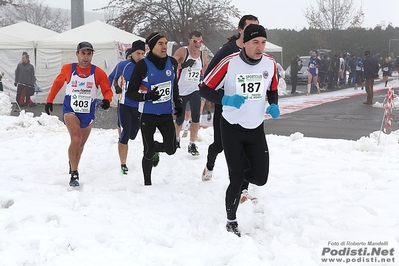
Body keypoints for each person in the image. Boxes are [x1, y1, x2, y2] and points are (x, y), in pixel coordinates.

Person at [200, 24, 279, 237]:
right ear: (244, 43)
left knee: (260, 178)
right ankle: (231, 220)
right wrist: (225, 99)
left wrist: (273, 104)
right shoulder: (229, 63)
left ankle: (238, 176)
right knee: (236, 179)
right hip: (231, 127)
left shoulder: (270, 63)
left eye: (263, 42)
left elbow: (272, 88)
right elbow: (204, 88)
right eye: (255, 42)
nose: (259, 47)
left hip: (255, 128)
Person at [199, 15, 259, 206]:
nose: (253, 32)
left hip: (248, 111)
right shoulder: (228, 51)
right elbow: (208, 81)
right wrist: (225, 98)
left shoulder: (257, 52)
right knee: (220, 145)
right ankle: (210, 163)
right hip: (226, 107)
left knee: (247, 150)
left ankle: (243, 189)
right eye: (249, 28)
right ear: (240, 30)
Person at [45, 41, 113, 186]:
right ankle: (74, 174)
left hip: (88, 112)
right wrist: (49, 100)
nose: (86, 57)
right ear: (77, 54)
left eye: (89, 54)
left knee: (80, 144)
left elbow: (107, 89)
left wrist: (107, 100)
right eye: (83, 53)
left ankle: (73, 164)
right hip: (70, 109)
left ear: (92, 55)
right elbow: (57, 84)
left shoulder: (98, 72)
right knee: (75, 138)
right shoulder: (68, 69)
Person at [126, 32, 183, 186]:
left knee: (171, 149)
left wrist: (178, 104)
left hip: (165, 114)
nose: (164, 46)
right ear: (151, 47)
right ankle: (147, 184)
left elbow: (174, 85)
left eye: (165, 43)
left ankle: (157, 147)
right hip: (147, 115)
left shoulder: (172, 62)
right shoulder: (142, 65)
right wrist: (148, 96)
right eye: (160, 43)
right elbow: (130, 93)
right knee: (148, 151)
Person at [108, 40, 146, 174]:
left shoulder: (148, 66)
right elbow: (111, 77)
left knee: (133, 134)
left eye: (142, 53)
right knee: (125, 134)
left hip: (140, 107)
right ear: (132, 53)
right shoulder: (123, 65)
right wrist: (112, 90)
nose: (140, 56)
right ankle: (123, 164)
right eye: (137, 53)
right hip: (125, 104)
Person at [173, 31, 209, 155]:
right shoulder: (183, 51)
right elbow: (171, 64)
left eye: (200, 42)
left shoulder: (203, 55)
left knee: (196, 116)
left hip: (195, 89)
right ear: (189, 40)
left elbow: (206, 70)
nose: (197, 44)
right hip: (181, 90)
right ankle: (176, 138)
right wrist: (182, 65)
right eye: (195, 41)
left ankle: (192, 144)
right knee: (180, 118)